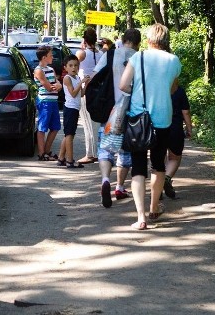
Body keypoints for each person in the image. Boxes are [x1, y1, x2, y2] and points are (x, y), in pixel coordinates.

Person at [119, 24, 182, 230]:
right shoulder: (174, 61)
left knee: (138, 166)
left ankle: (141, 218)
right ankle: (155, 208)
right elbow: (174, 87)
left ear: (148, 40)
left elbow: (122, 85)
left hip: (138, 118)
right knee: (158, 164)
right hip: (163, 118)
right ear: (166, 40)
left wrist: (137, 89)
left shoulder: (138, 57)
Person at [93, 28, 141, 207]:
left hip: (109, 109)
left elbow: (95, 76)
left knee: (105, 148)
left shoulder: (110, 55)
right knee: (126, 149)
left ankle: (106, 179)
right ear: (138, 42)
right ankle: (120, 186)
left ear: (123, 39)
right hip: (131, 110)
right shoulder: (139, 58)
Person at [75, 27, 102, 164]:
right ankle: (96, 152)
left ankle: (90, 154)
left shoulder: (82, 53)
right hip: (98, 90)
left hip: (85, 89)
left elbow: (73, 66)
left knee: (86, 122)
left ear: (84, 40)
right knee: (95, 123)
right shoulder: (101, 53)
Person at [57, 56, 88, 168]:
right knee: (69, 135)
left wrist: (86, 82)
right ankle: (69, 160)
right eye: (70, 65)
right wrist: (81, 83)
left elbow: (82, 94)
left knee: (70, 134)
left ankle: (61, 158)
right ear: (66, 67)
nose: (74, 68)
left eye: (76, 65)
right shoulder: (67, 78)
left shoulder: (77, 78)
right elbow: (73, 93)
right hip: (70, 108)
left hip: (76, 108)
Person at [164, 84, 193, 199]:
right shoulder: (179, 90)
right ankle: (167, 178)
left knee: (158, 161)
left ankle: (156, 189)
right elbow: (185, 112)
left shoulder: (155, 87)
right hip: (175, 128)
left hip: (157, 127)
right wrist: (189, 129)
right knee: (174, 158)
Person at [33, 45, 62, 161]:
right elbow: (49, 87)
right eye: (50, 55)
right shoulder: (38, 70)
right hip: (45, 101)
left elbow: (58, 83)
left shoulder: (51, 70)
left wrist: (58, 85)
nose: (52, 57)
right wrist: (57, 86)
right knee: (42, 127)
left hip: (53, 101)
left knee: (55, 127)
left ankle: (46, 151)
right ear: (44, 57)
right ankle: (41, 153)